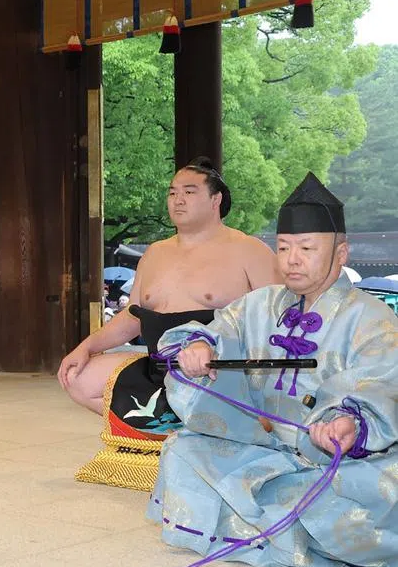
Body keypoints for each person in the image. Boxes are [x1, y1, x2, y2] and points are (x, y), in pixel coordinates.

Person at [153, 172, 398, 567]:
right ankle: (284, 533)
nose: (291, 259)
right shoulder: (259, 304)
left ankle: (285, 532)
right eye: (283, 248)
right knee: (182, 448)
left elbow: (384, 384)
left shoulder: (372, 317)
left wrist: (351, 425)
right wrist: (198, 347)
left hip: (332, 455)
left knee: (381, 489)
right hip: (262, 442)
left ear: (341, 253)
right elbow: (217, 331)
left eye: (306, 248)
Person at [63, 159, 281, 491]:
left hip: (218, 370)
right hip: (157, 364)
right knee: (76, 376)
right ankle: (165, 441)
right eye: (172, 192)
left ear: (215, 200)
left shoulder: (249, 250)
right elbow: (133, 316)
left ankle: (215, 445)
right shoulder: (154, 253)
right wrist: (86, 347)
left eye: (189, 192)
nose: (177, 199)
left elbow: (276, 320)